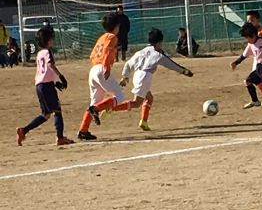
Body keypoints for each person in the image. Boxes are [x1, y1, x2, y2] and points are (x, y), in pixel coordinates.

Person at [117, 28, 193, 131]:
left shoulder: (141, 52)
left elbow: (128, 64)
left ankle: (143, 121)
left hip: (137, 75)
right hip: (145, 76)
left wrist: (125, 76)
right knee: (137, 103)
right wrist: (184, 71)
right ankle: (112, 108)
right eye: (161, 43)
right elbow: (171, 64)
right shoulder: (158, 55)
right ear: (158, 43)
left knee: (149, 98)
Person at [16, 27, 74, 146]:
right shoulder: (48, 52)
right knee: (57, 111)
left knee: (46, 115)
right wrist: (61, 77)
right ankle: (60, 137)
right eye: (52, 38)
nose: (53, 40)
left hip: (40, 85)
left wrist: (55, 83)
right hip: (46, 86)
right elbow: (50, 65)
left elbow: (44, 71)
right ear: (48, 40)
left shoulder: (39, 53)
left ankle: (23, 130)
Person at [77, 13, 127, 141]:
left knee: (94, 101)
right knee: (119, 96)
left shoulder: (102, 37)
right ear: (116, 26)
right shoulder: (112, 37)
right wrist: (106, 67)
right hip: (101, 69)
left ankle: (83, 130)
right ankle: (96, 109)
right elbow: (107, 52)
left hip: (93, 70)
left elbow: (92, 55)